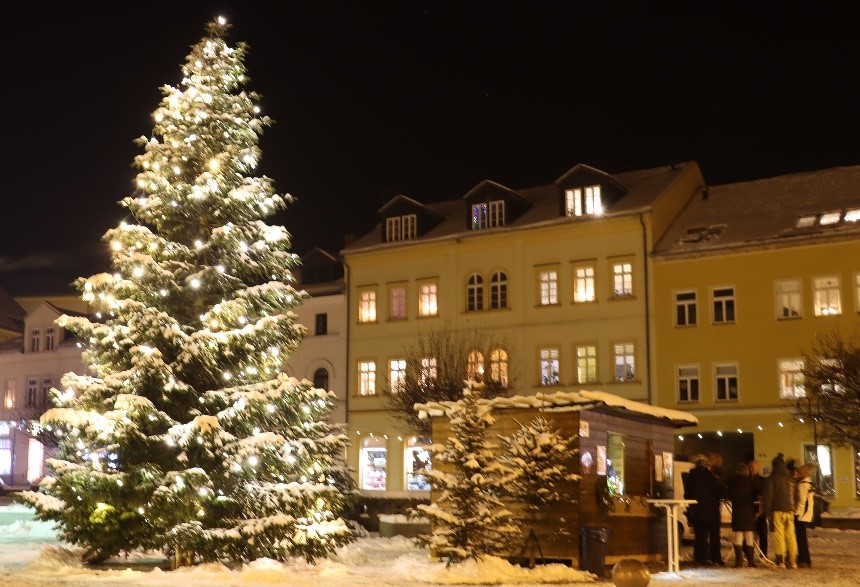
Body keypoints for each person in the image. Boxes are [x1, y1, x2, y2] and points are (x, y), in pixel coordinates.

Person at [683, 454, 727, 566]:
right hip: (712, 512)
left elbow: (687, 495)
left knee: (700, 536)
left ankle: (700, 558)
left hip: (697, 512)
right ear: (707, 465)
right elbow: (721, 493)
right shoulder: (712, 478)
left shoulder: (690, 478)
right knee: (714, 536)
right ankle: (715, 557)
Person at [762, 453, 798, 569]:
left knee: (779, 535)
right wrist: (794, 507)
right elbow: (796, 496)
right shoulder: (791, 479)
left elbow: (768, 497)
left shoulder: (771, 479)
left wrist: (767, 511)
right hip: (790, 511)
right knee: (791, 535)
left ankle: (780, 560)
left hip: (777, 511)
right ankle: (793, 561)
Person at [726, 462, 757, 567]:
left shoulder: (732, 481)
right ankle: (751, 561)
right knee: (749, 535)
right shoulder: (750, 482)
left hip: (737, 511)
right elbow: (755, 494)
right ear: (746, 471)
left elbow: (728, 494)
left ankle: (738, 561)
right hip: (748, 511)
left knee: (738, 536)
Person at [794, 462, 817, 568]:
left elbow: (802, 502)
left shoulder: (802, 484)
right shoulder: (809, 484)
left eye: (797, 472)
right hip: (807, 514)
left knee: (800, 538)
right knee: (803, 538)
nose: (796, 474)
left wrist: (796, 513)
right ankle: (807, 560)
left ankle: (802, 559)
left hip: (801, 515)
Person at [748, 459, 768, 557]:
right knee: (749, 534)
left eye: (753, 467)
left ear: (757, 468)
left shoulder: (762, 480)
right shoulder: (746, 480)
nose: (751, 469)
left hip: (760, 511)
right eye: (750, 467)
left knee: (763, 534)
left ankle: (763, 554)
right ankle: (749, 553)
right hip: (749, 510)